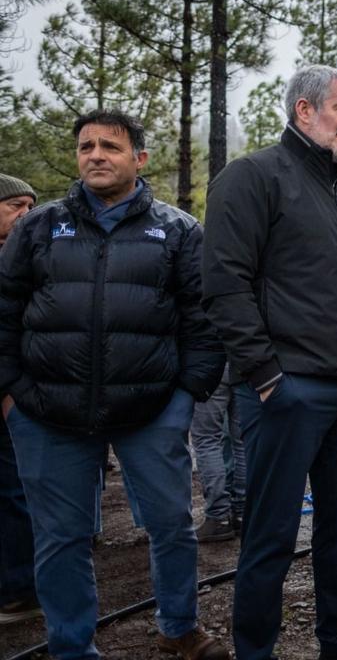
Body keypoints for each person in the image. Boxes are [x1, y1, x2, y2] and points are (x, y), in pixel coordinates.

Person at [0, 111, 229, 659]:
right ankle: (71, 647)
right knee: (61, 539)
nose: (96, 155)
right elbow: (4, 312)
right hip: (46, 412)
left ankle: (179, 628)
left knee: (172, 526)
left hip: (151, 410)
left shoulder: (177, 231)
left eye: (110, 146)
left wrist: (183, 399)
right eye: (86, 147)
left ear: (139, 159)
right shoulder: (38, 227)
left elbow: (204, 320)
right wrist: (11, 396)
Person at [202, 65, 337, 660]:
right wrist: (266, 376)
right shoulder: (250, 178)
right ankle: (254, 652)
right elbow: (224, 285)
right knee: (271, 538)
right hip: (287, 392)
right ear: (304, 111)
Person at [0, 173, 37, 624]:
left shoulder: (28, 258)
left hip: (16, 396)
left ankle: (19, 589)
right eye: (15, 206)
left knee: (14, 491)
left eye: (31, 205)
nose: (26, 213)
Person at [189, 363, 245, 542]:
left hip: (210, 365)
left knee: (207, 440)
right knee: (243, 442)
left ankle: (218, 516)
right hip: (242, 361)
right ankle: (243, 513)